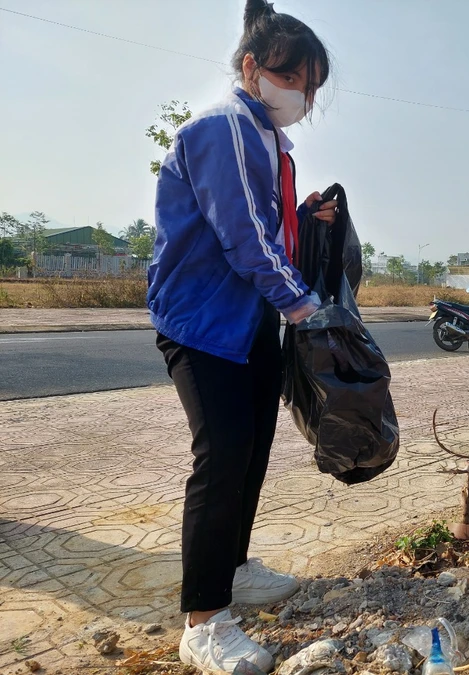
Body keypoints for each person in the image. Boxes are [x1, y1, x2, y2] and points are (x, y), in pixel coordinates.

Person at [147, 1, 334, 671]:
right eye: (295, 80)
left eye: (311, 88)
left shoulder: (267, 138)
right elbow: (241, 236)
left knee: (252, 448)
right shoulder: (221, 127)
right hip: (202, 321)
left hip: (250, 319)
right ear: (251, 67)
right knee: (222, 453)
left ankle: (235, 565)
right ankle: (203, 619)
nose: (303, 98)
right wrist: (305, 306)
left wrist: (307, 215)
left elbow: (269, 227)